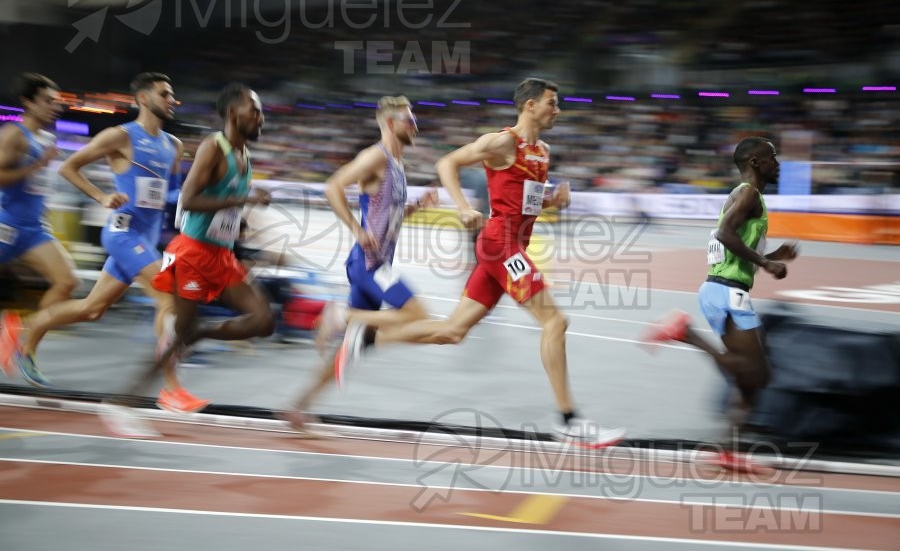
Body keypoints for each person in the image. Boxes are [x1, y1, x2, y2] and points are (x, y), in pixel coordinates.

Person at [318, 79, 625, 447]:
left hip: (509, 249)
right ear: (529, 106)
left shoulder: (542, 151)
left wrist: (551, 202)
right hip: (500, 247)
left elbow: (524, 203)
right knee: (555, 321)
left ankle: (362, 332)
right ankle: (570, 421)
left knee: (452, 331)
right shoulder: (502, 142)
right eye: (551, 103)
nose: (557, 110)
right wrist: (463, 207)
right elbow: (447, 162)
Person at [9, 73, 204, 406]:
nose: (173, 100)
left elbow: (171, 192)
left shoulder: (174, 145)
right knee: (168, 298)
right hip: (122, 233)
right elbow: (69, 167)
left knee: (91, 309)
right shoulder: (120, 136)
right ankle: (171, 388)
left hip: (147, 237)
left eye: (173, 95)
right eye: (165, 94)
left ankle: (20, 329)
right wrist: (101, 197)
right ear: (143, 99)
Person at [100, 82, 275, 437]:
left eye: (260, 111)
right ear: (232, 114)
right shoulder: (214, 146)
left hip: (222, 256)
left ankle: (200, 333)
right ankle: (121, 403)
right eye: (253, 110)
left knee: (263, 320)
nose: (261, 117)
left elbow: (224, 207)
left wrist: (239, 221)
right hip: (192, 254)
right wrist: (242, 203)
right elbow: (189, 200)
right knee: (178, 336)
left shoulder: (244, 157)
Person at [282, 95, 437, 433]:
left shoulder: (397, 165)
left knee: (354, 346)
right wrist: (356, 229)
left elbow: (387, 216)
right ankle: (340, 315)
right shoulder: (375, 157)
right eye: (409, 120)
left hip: (374, 263)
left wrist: (414, 208)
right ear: (390, 124)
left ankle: (299, 406)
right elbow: (333, 186)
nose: (416, 126)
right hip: (370, 265)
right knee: (419, 316)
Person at [642, 136, 799, 425]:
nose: (778, 164)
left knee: (751, 379)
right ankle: (685, 332)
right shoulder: (748, 194)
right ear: (755, 163)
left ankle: (731, 448)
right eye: (772, 158)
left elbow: (736, 247)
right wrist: (766, 262)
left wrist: (774, 255)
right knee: (756, 374)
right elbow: (725, 234)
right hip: (726, 292)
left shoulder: (748, 195)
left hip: (723, 289)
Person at [0, 73, 80, 381]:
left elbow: (35, 185)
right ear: (28, 102)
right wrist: (37, 166)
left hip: (34, 229)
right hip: (6, 225)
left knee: (67, 282)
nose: (55, 108)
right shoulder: (13, 135)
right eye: (48, 101)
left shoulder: (43, 139)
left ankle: (25, 347)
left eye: (57, 103)